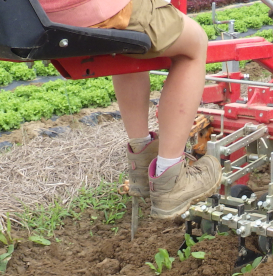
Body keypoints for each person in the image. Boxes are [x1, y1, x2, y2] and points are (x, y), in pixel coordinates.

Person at [39, 0, 221, 218]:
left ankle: (142, 165)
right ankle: (170, 180)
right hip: (83, 11)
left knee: (127, 43)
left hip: (39, 14)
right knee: (194, 43)